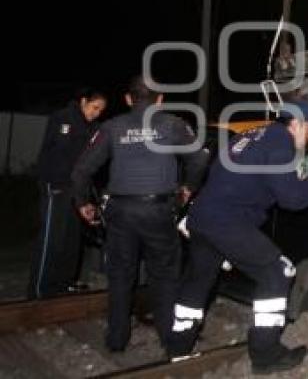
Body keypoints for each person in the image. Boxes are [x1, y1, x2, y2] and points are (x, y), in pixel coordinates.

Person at [166, 99, 308, 374]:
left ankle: (177, 347)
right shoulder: (280, 141)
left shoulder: (251, 135)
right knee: (277, 272)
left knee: (198, 281)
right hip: (226, 221)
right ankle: (265, 353)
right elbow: (292, 198)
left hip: (203, 217)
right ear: (297, 124)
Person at [71, 75, 207, 352]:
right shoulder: (173, 124)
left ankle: (116, 340)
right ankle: (171, 342)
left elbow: (81, 171)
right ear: (160, 100)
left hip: (120, 213)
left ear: (128, 99)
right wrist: (188, 188)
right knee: (165, 277)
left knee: (120, 276)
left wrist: (84, 203)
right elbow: (200, 158)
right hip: (159, 211)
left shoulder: (112, 127)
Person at [28, 88, 107, 299]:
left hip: (76, 190)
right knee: (52, 238)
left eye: (101, 110)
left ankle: (63, 284)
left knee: (71, 239)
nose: (97, 113)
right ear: (83, 101)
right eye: (94, 107)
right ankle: (38, 289)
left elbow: (91, 163)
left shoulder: (95, 128)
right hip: (55, 185)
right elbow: (62, 154)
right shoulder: (63, 118)